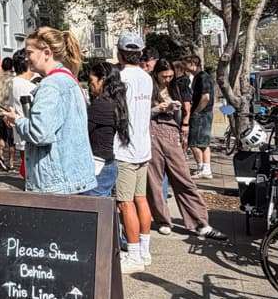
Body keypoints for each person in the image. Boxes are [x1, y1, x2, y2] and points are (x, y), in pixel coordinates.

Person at [1, 28, 96, 194]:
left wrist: (17, 120)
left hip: (57, 183)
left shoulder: (50, 85)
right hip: (72, 177)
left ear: (46, 52)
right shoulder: (68, 79)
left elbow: (39, 133)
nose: (26, 57)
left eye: (29, 52)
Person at [146, 60, 227, 241]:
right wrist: (157, 108)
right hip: (151, 133)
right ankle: (163, 220)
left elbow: (186, 108)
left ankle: (200, 223)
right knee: (154, 181)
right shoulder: (148, 86)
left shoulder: (177, 86)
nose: (167, 79)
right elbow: (141, 113)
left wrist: (182, 119)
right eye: (163, 76)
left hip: (172, 131)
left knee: (184, 179)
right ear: (156, 74)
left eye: (170, 76)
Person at [114, 33, 154, 267]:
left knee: (125, 202)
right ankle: (144, 249)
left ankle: (134, 253)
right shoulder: (146, 78)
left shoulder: (119, 77)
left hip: (124, 148)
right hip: (143, 146)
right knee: (141, 198)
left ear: (120, 52)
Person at [85, 61, 130, 197]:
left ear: (102, 80)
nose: (89, 84)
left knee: (93, 212)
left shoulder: (101, 105)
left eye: (91, 80)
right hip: (107, 164)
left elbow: (81, 132)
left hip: (98, 167)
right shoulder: (114, 102)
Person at [188, 54, 216, 178]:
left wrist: (196, 111)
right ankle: (205, 168)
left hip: (202, 114)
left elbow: (205, 97)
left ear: (193, 64)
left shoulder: (202, 78)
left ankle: (202, 167)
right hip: (205, 113)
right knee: (203, 143)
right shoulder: (200, 77)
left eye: (187, 64)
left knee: (194, 142)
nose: (185, 67)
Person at [10, 49, 36, 177]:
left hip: (18, 130)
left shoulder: (13, 83)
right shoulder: (29, 87)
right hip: (30, 131)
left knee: (26, 165)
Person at [0, 57, 17, 171]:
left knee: (2, 135)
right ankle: (11, 163)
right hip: (9, 111)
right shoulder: (14, 80)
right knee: (11, 139)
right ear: (12, 67)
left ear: (2, 66)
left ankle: (1, 155)